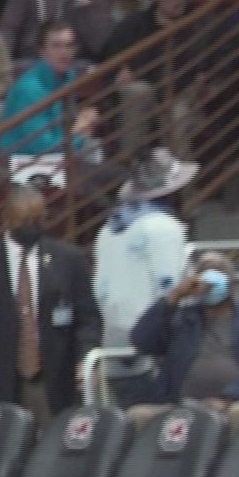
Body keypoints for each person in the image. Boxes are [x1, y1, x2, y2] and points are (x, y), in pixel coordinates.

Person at [0, 186, 98, 477]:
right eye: (25, 219)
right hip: (1, 381)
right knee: (9, 463)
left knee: (65, 461)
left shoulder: (68, 259)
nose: (32, 225)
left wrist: (86, 358)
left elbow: (88, 318)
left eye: (38, 219)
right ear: (7, 219)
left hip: (53, 378)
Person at [125, 250, 239, 437]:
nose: (209, 280)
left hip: (237, 402)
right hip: (180, 404)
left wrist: (229, 397)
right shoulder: (180, 320)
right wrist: (173, 297)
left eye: (218, 271)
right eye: (203, 272)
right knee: (138, 415)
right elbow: (141, 341)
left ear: (232, 285)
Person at [92, 148, 193, 406]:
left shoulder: (108, 229)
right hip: (150, 350)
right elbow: (170, 291)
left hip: (112, 344)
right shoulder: (165, 229)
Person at [101, 0, 197, 163]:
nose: (177, 1)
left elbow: (190, 71)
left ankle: (182, 190)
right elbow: (111, 66)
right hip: (147, 94)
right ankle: (131, 172)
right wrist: (119, 77)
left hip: (182, 94)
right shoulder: (134, 25)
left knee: (176, 113)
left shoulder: (196, 25)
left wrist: (139, 72)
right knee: (138, 92)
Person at [0, 20, 97, 157]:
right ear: (42, 51)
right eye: (56, 46)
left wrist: (83, 119)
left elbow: (67, 126)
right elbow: (43, 147)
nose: (64, 52)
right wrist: (80, 130)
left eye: (69, 46)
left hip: (61, 154)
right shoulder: (28, 89)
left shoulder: (69, 76)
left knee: (98, 151)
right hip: (25, 162)